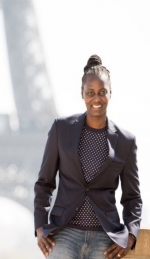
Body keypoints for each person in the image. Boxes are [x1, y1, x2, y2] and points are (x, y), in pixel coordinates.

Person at [34, 55, 142, 259]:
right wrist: (40, 227)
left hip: (104, 238)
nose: (96, 99)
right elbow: (44, 183)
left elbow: (132, 197)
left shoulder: (126, 141)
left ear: (110, 93)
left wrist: (131, 237)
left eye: (102, 92)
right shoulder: (61, 129)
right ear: (82, 93)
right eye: (90, 93)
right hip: (64, 235)